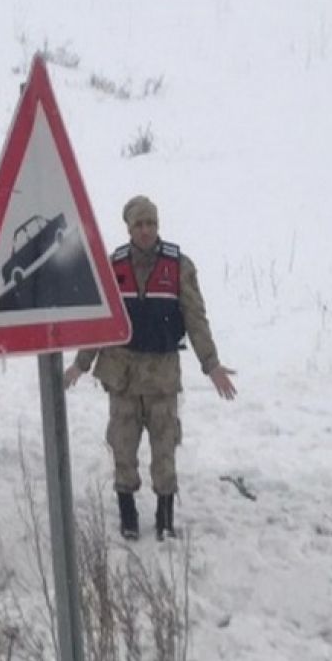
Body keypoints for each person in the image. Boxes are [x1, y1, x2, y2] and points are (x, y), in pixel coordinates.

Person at [65, 195, 237, 540]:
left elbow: (195, 319)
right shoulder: (113, 267)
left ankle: (165, 519)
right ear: (128, 228)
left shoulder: (178, 267)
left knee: (165, 450)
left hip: (162, 378)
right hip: (123, 376)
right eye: (139, 224)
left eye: (151, 224)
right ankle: (127, 515)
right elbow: (101, 323)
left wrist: (212, 364)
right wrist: (81, 365)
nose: (146, 231)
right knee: (123, 448)